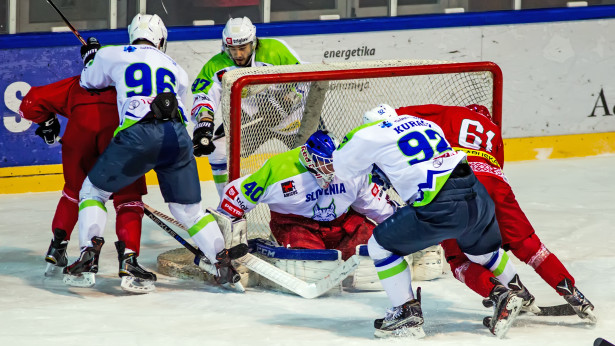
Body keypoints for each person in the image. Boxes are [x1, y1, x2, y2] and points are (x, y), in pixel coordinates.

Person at [66, 13, 241, 290]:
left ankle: (88, 253)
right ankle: (222, 263)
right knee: (190, 211)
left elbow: (90, 83)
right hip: (177, 138)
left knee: (92, 192)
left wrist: (90, 58)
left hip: (138, 135)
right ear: (161, 39)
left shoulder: (112, 54)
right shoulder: (176, 67)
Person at [332, 105, 524, 338]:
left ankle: (406, 315)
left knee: (379, 246)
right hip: (478, 196)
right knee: (482, 252)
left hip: (441, 203)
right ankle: (517, 293)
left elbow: (340, 168)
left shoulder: (370, 133)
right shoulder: (426, 124)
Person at [394, 103, 596, 324]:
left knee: (457, 259)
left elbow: (405, 115)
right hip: (496, 184)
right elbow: (498, 166)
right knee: (529, 245)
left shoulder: (450, 113)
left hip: (457, 182)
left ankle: (500, 293)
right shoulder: (494, 130)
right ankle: (574, 293)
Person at [19, 75, 152, 292]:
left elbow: (29, 103)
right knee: (128, 199)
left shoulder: (76, 83)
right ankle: (129, 259)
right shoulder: (128, 78)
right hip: (119, 137)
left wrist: (47, 122)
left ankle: (58, 248)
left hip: (79, 134)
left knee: (75, 192)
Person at [217, 130, 395, 261]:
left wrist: (401, 226)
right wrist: (222, 243)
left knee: (379, 246)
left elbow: (372, 202)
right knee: (312, 263)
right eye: (327, 164)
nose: (334, 170)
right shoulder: (280, 169)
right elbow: (235, 195)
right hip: (296, 225)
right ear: (310, 158)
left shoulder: (352, 169)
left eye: (336, 162)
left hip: (340, 224)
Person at [191, 16, 306, 198]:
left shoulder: (276, 50)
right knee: (218, 152)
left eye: (242, 48)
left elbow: (307, 78)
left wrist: (289, 101)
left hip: (293, 118)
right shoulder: (217, 65)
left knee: (315, 156)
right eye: (232, 49)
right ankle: (228, 206)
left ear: (253, 43)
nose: (237, 55)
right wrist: (204, 123)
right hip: (252, 122)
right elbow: (203, 96)